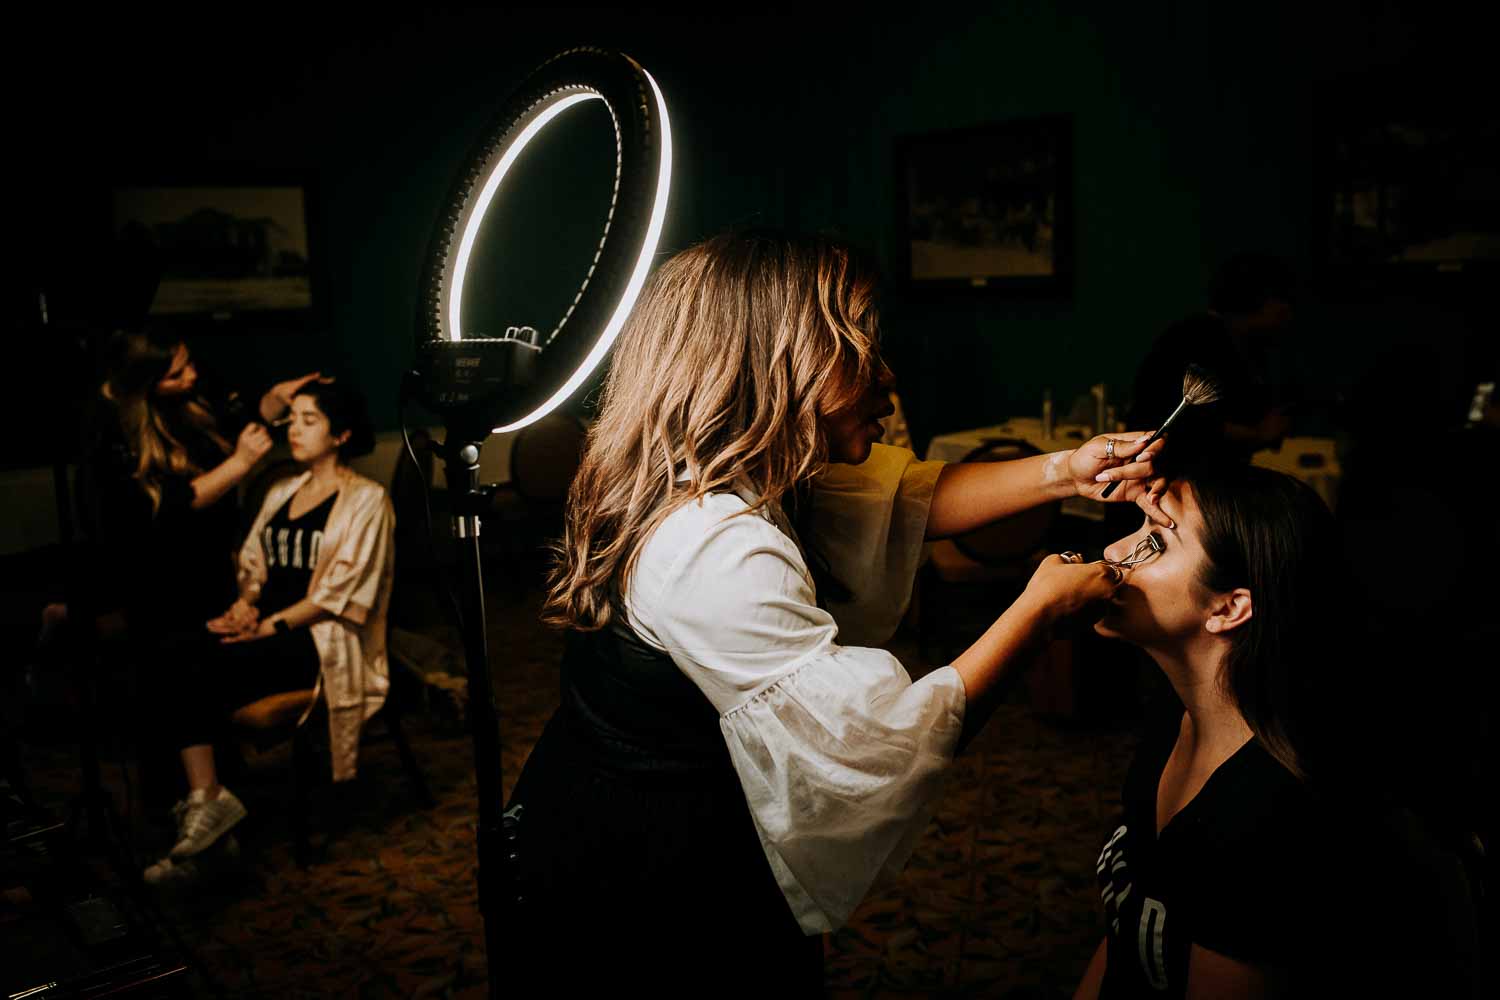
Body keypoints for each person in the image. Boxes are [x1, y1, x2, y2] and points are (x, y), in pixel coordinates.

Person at [502, 230, 1170, 988]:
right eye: (860, 352)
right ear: (779, 365)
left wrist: (1067, 472)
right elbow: (872, 749)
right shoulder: (708, 547)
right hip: (638, 865)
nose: (888, 377)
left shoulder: (749, 471)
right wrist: (1038, 609)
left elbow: (911, 495)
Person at [1073, 462, 1482, 999]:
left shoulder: (1270, 817)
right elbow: (1124, 934)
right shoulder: (1174, 727)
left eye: (1155, 542)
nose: (1111, 556)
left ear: (1228, 607)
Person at [140, 380, 394, 886]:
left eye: (309, 421)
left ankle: (208, 818)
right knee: (168, 657)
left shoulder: (369, 500)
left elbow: (340, 595)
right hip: (268, 630)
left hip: (316, 642)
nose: (293, 431)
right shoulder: (281, 491)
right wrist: (244, 607)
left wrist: (268, 626)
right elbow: (253, 567)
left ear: (341, 434)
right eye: (291, 419)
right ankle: (207, 805)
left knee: (192, 667)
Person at [1127, 253, 1299, 461]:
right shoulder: (1197, 341)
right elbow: (1187, 425)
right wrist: (1258, 434)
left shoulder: (1247, 348)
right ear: (1259, 299)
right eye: (1283, 301)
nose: (1289, 313)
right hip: (1176, 481)